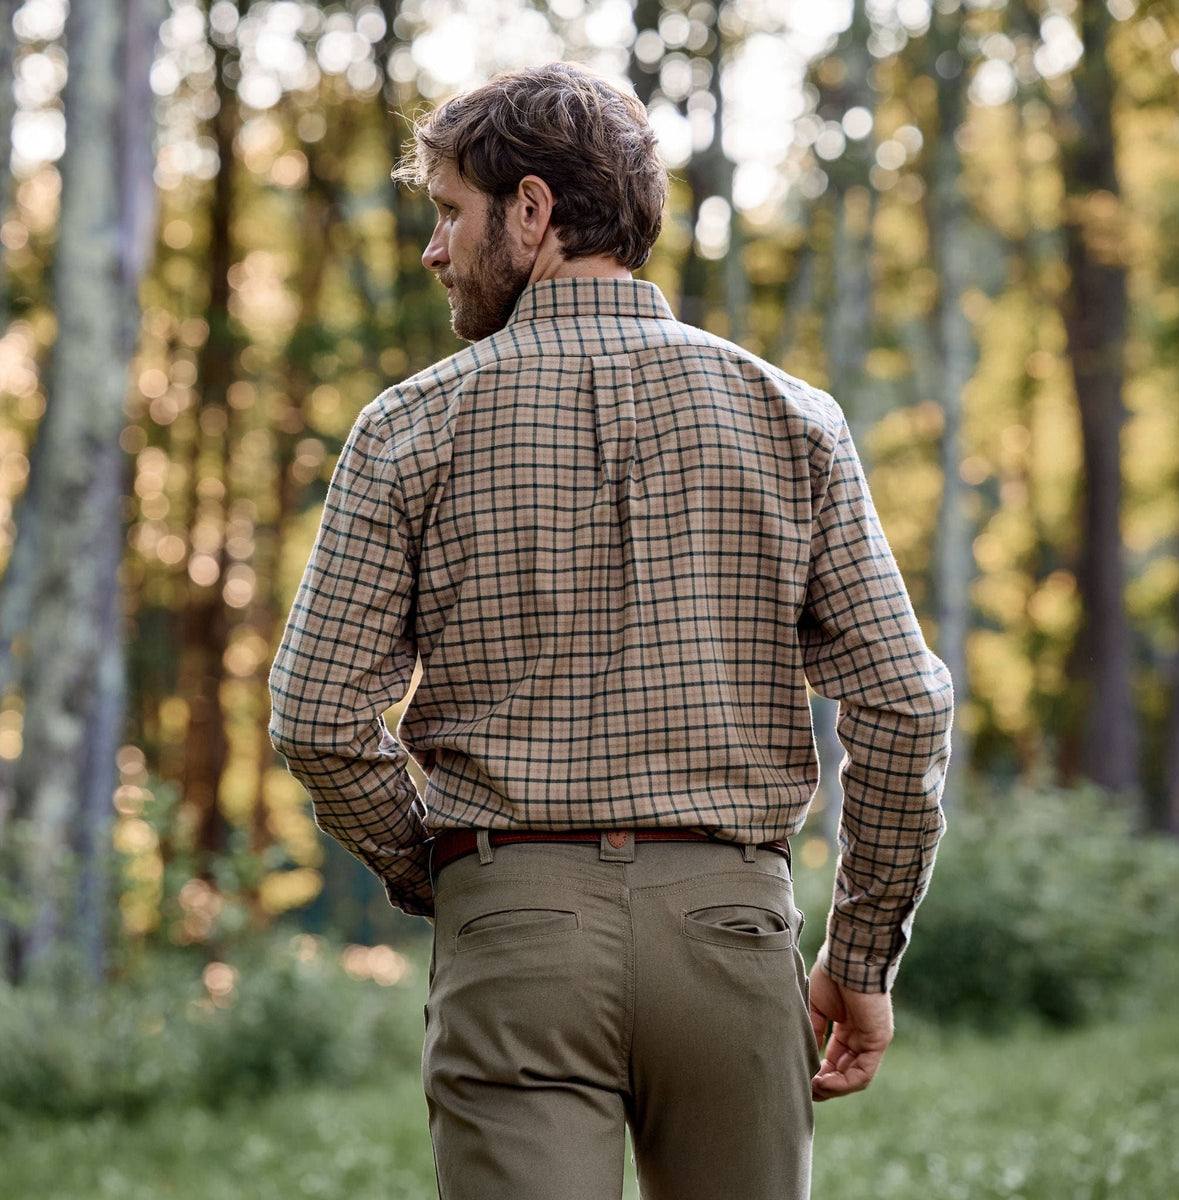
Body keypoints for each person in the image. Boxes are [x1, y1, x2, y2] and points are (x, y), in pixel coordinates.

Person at [269, 61, 953, 1200]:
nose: (434, 248)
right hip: (731, 933)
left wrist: (447, 870)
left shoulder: (407, 426)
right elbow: (903, 701)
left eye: (449, 210)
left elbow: (315, 715)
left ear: (530, 211)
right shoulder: (796, 419)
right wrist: (864, 954)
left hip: (514, 929)